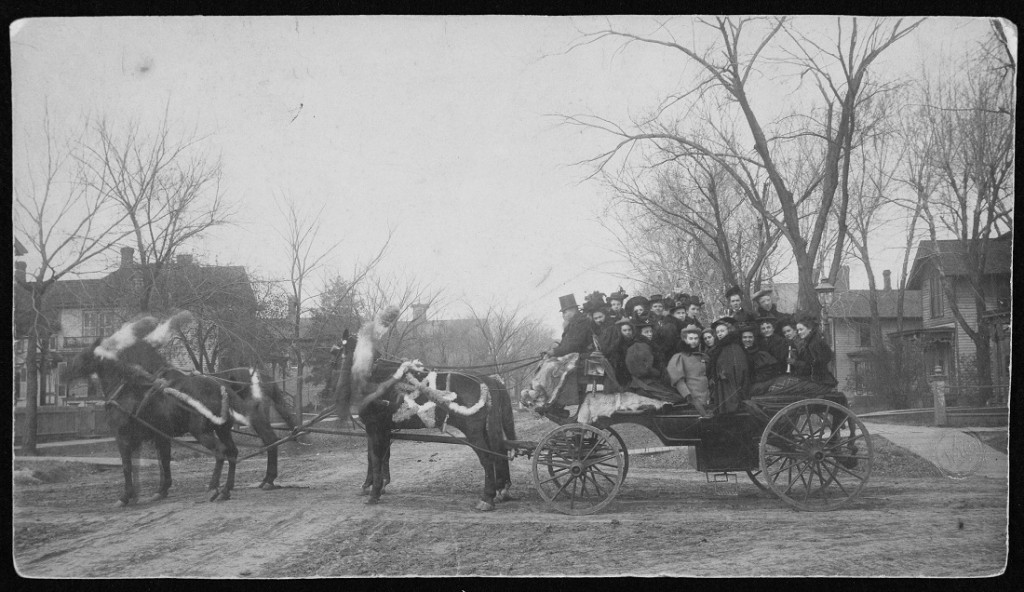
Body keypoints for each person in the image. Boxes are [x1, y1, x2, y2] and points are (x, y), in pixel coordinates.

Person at [625, 319, 678, 401]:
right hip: (644, 382)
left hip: (652, 380)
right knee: (673, 398)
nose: (650, 334)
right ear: (640, 333)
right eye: (646, 332)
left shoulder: (649, 344)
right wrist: (657, 372)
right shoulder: (638, 346)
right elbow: (641, 369)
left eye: (650, 331)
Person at [665, 324, 713, 417]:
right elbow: (678, 381)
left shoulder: (703, 356)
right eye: (690, 338)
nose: (694, 341)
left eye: (696, 338)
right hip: (692, 402)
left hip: (707, 399)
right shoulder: (679, 357)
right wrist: (689, 397)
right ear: (685, 340)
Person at [710, 316, 750, 414]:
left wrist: (726, 374)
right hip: (723, 384)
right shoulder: (720, 347)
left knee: (731, 407)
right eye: (718, 332)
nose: (719, 334)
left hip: (731, 384)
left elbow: (738, 368)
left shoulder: (734, 347)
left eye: (722, 331)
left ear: (729, 331)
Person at [790, 316, 838, 387]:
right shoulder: (809, 342)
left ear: (810, 329)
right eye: (798, 330)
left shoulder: (814, 344)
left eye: (801, 329)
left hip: (818, 382)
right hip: (812, 379)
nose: (799, 332)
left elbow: (814, 366)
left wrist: (795, 362)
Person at [599, 317, 634, 386]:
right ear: (620, 331)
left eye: (629, 330)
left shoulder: (633, 341)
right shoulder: (618, 344)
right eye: (624, 330)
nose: (628, 332)